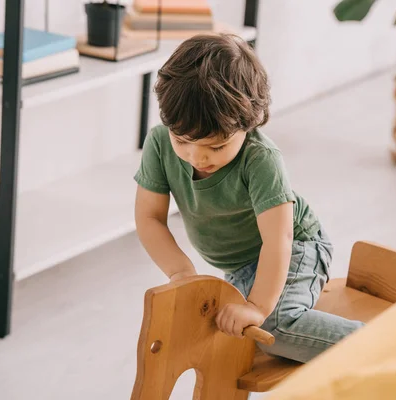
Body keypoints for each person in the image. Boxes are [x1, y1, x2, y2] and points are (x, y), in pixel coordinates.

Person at [134, 33, 363, 363]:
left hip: (298, 247)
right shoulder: (158, 144)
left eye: (216, 147)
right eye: (182, 141)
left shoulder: (260, 158)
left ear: (249, 123)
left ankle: (381, 347)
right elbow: (149, 217)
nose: (197, 157)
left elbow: (278, 240)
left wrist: (257, 306)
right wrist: (181, 272)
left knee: (275, 328)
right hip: (242, 266)